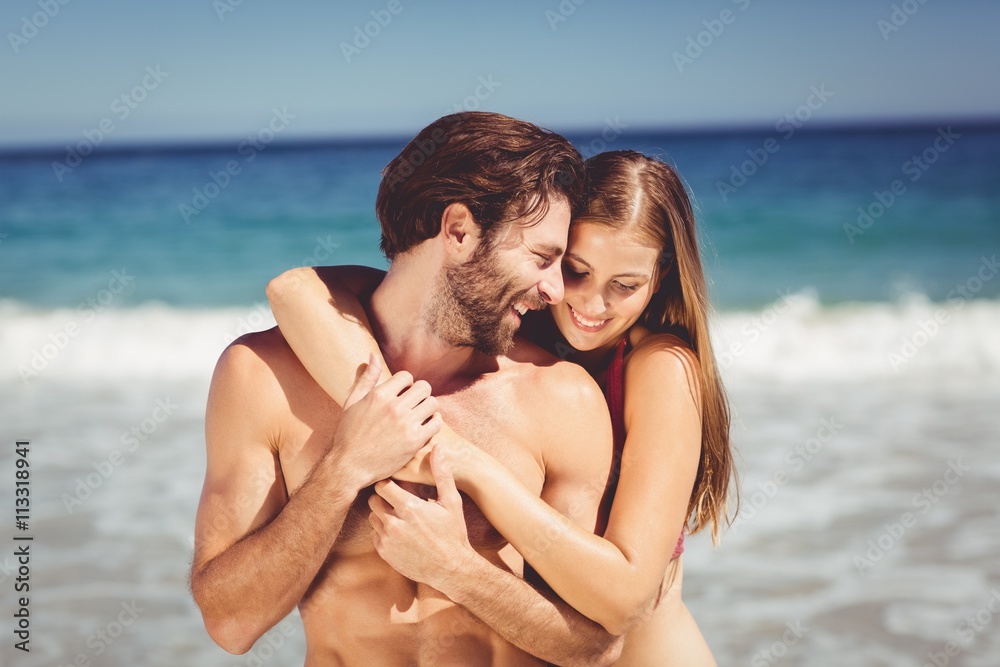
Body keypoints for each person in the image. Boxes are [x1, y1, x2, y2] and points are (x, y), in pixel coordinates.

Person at [267, 149, 735, 664]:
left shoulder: (661, 367)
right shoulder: (516, 322)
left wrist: (458, 459)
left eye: (625, 286)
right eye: (575, 271)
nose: (591, 305)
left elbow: (626, 598)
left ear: (662, 273)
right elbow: (294, 291)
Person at [190, 111, 625, 666]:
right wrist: (344, 469)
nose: (555, 289)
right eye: (542, 257)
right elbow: (229, 623)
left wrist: (460, 572)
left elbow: (595, 648)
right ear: (459, 230)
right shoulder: (260, 375)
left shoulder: (559, 398)